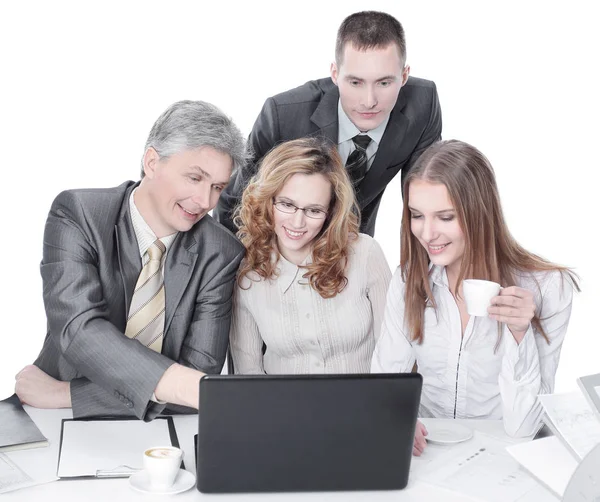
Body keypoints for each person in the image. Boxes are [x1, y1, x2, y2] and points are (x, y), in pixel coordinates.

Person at [14, 100, 247, 420]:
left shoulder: (221, 252)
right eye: (195, 178)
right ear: (152, 162)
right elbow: (79, 329)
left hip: (138, 418)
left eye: (217, 187)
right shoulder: (78, 214)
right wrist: (177, 383)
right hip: (52, 418)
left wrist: (67, 395)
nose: (205, 201)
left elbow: (199, 376)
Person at [372, 140, 578, 453]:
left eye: (445, 217)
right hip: (426, 452)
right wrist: (395, 417)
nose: (427, 234)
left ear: (480, 213)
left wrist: (519, 334)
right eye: (417, 215)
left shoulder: (549, 287)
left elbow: (524, 427)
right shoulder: (408, 280)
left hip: (503, 455)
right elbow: (384, 386)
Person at [214, 10, 442, 237]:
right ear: (335, 73)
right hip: (280, 250)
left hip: (355, 249)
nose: (369, 101)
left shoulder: (423, 105)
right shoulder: (282, 116)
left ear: (404, 76)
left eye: (384, 83)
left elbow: (428, 204)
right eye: (355, 82)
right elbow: (235, 203)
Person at [229, 137, 391, 374]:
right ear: (267, 200)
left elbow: (394, 356)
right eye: (286, 204)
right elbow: (247, 372)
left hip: (365, 408)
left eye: (314, 210)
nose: (297, 222)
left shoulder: (366, 254)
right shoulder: (247, 272)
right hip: (283, 409)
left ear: (331, 212)